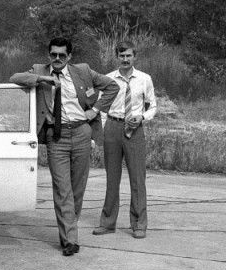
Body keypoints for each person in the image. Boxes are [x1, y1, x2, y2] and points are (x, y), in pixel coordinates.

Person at [10, 37, 119, 256]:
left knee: (77, 189)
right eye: (53, 54)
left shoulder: (83, 71)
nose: (57, 59)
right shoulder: (39, 70)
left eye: (62, 55)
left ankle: (68, 231)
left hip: (81, 132)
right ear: (48, 55)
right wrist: (42, 79)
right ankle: (71, 239)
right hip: (55, 136)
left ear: (69, 56)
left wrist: (95, 110)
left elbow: (112, 87)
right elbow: (15, 78)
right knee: (62, 189)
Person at [93, 41, 157, 239]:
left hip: (134, 129)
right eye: (122, 56)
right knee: (112, 178)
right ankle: (107, 222)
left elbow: (153, 106)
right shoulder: (108, 79)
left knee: (138, 179)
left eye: (129, 55)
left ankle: (139, 224)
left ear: (134, 57)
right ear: (117, 57)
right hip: (113, 126)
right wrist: (102, 133)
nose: (125, 59)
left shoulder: (144, 79)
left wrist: (142, 117)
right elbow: (101, 107)